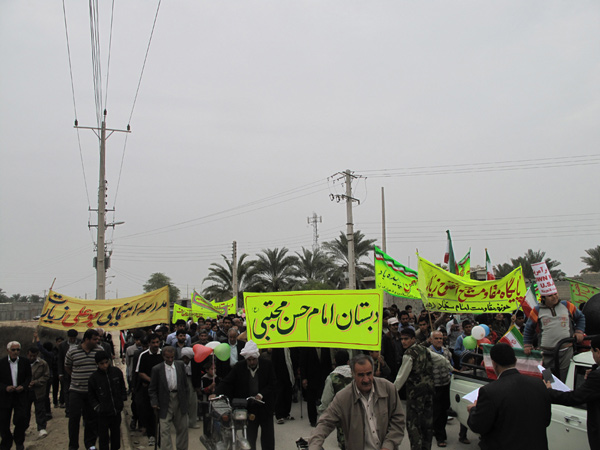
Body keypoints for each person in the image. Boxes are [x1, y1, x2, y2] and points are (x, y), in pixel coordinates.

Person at [309, 354, 405, 450]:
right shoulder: (343, 398)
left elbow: (398, 420)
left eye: (369, 373)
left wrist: (388, 445)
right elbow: (325, 423)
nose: (366, 379)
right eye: (361, 375)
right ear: (353, 374)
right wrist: (314, 446)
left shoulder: (388, 389)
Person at [467, 343, 551, 450]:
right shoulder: (539, 384)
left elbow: (477, 425)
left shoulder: (489, 391)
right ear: (515, 360)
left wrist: (474, 409)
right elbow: (546, 420)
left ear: (494, 364)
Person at [213, 340, 277, 450]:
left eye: (254, 359)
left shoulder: (267, 365)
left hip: (265, 407)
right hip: (248, 408)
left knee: (268, 437)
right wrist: (215, 393)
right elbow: (227, 382)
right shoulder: (239, 367)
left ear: (257, 357)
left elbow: (273, 384)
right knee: (250, 437)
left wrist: (261, 394)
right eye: (249, 360)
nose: (252, 362)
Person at [546, 335, 600, 449]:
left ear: (598, 351)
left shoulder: (596, 376)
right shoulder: (595, 374)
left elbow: (574, 398)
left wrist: (549, 392)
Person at [523, 292, 585, 381]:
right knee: (549, 380)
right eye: (550, 295)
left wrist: (579, 331)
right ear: (543, 298)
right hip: (545, 355)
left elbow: (580, 317)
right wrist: (527, 344)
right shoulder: (537, 310)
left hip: (566, 353)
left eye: (555, 294)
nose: (554, 297)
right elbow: (529, 328)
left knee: (565, 379)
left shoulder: (567, 305)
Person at [394, 328, 437, 450]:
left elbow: (401, 377)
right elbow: (439, 360)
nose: (403, 342)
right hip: (428, 391)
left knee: (413, 425)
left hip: (416, 395)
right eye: (401, 339)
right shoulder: (424, 350)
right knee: (427, 424)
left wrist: (392, 391)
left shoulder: (409, 354)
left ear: (413, 339)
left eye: (406, 339)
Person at [65, 328, 104, 450]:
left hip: (93, 393)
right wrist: (76, 377)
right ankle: (73, 445)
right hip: (76, 391)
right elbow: (67, 366)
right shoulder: (73, 351)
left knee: (92, 420)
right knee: (74, 419)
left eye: (98, 339)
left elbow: (103, 367)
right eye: (94, 339)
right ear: (86, 339)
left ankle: (90, 444)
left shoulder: (99, 350)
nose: (97, 341)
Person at [149, 346, 189, 450]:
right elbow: (152, 389)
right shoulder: (157, 369)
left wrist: (186, 399)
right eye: (167, 357)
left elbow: (185, 385)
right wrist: (154, 402)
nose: (170, 360)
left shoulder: (180, 365)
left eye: (172, 357)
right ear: (163, 357)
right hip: (164, 401)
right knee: (164, 430)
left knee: (182, 429)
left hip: (179, 399)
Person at [88, 351, 127, 450]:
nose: (105, 365)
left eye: (106, 362)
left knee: (116, 436)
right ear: (97, 364)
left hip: (116, 412)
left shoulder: (116, 372)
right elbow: (91, 396)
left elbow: (122, 387)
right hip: (102, 415)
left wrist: (121, 400)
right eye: (102, 363)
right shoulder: (94, 378)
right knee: (103, 438)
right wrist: (98, 408)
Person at [317, 350, 352, 450]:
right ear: (348, 361)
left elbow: (326, 399)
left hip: (341, 416)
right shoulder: (357, 375)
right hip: (358, 413)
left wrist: (322, 412)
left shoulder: (332, 378)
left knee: (344, 443)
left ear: (334, 360)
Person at [0, 341, 32, 450]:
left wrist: (23, 386)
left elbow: (28, 377)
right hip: (5, 396)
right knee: (4, 422)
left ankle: (19, 442)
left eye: (18, 350)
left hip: (20, 395)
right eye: (13, 350)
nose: (16, 352)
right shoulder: (2, 363)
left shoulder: (24, 362)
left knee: (20, 419)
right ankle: (6, 442)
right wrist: (5, 388)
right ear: (8, 350)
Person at [135, 333, 164, 448]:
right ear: (149, 344)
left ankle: (161, 436)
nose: (156, 345)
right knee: (149, 412)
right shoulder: (143, 355)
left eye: (157, 342)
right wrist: (152, 380)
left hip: (162, 389)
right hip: (148, 388)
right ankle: (151, 435)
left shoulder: (163, 354)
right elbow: (140, 373)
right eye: (153, 343)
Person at [429, 330, 453, 448]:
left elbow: (451, 367)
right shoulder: (428, 353)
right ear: (431, 340)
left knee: (444, 410)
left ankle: (438, 430)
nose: (439, 340)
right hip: (434, 387)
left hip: (446, 385)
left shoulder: (447, 352)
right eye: (436, 338)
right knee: (436, 411)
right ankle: (440, 436)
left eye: (441, 338)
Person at [300, 347, 333, 427]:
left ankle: (325, 419)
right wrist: (303, 378)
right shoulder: (306, 348)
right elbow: (303, 363)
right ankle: (313, 420)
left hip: (323, 377)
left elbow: (328, 362)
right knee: (311, 399)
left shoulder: (325, 347)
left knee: (324, 398)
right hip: (310, 376)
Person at [27, 346, 50, 439]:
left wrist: (36, 382)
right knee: (24, 410)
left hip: (39, 390)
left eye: (34, 356)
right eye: (30, 355)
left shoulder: (43, 364)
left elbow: (46, 376)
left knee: (40, 409)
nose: (32, 358)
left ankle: (41, 428)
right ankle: (23, 427)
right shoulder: (23, 363)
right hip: (26, 390)